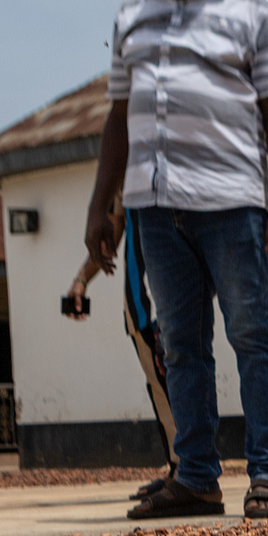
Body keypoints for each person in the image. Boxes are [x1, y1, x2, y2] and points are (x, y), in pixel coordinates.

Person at [84, 0, 268, 520]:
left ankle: (267, 476)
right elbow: (119, 118)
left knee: (251, 335)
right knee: (181, 345)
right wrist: (101, 206)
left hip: (231, 201)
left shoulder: (256, 12)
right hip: (153, 207)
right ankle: (198, 478)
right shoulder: (132, 16)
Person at [63, 196, 179, 501]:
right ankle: (179, 467)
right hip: (139, 302)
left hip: (170, 292)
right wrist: (82, 278)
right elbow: (115, 226)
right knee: (158, 382)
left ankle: (191, 469)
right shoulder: (124, 179)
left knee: (178, 377)